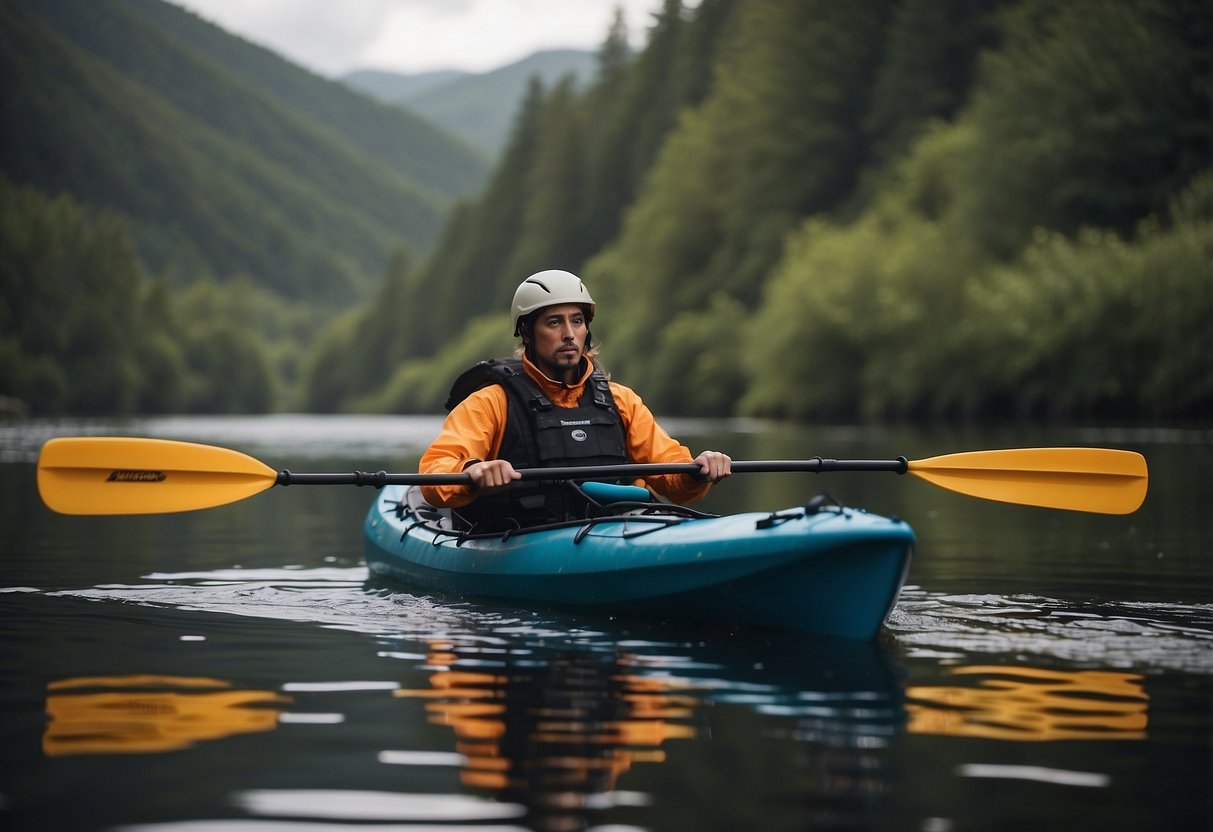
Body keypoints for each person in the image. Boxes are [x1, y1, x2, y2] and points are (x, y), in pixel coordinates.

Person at [419, 269, 731, 531]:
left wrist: (699, 469)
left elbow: (672, 476)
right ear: (527, 333)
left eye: (577, 321)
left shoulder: (622, 401)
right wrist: (473, 472)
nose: (569, 333)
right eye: (554, 322)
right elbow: (436, 471)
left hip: (615, 532)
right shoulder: (490, 402)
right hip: (519, 538)